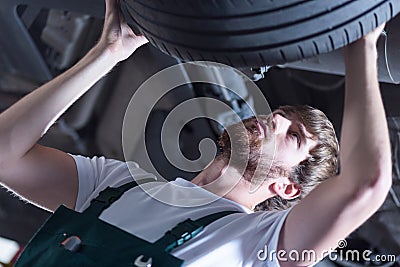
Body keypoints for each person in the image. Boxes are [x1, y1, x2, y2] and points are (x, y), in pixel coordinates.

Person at [0, 0, 391, 266]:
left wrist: (362, 42)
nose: (274, 120)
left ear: (288, 189)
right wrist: (108, 52)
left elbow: (365, 186)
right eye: (280, 114)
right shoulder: (116, 185)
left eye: (293, 136)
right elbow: (5, 154)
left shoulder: (259, 246)